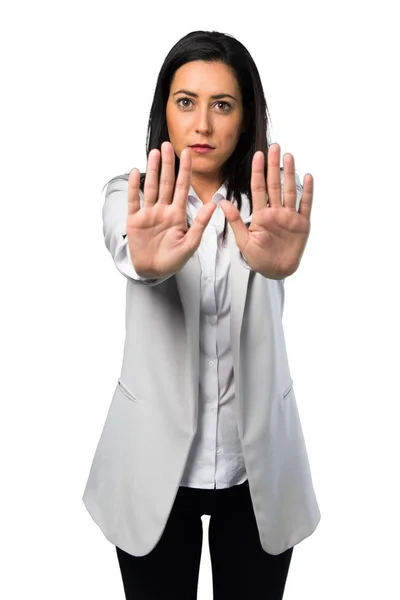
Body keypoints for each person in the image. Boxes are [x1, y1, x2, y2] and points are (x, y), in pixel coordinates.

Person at [82, 29, 321, 599]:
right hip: (154, 467)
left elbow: (275, 253)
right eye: (186, 102)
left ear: (247, 116)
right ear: (164, 110)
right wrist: (145, 260)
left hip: (256, 465)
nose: (203, 125)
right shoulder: (131, 196)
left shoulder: (271, 204)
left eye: (223, 105)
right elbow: (128, 244)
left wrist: (280, 267)